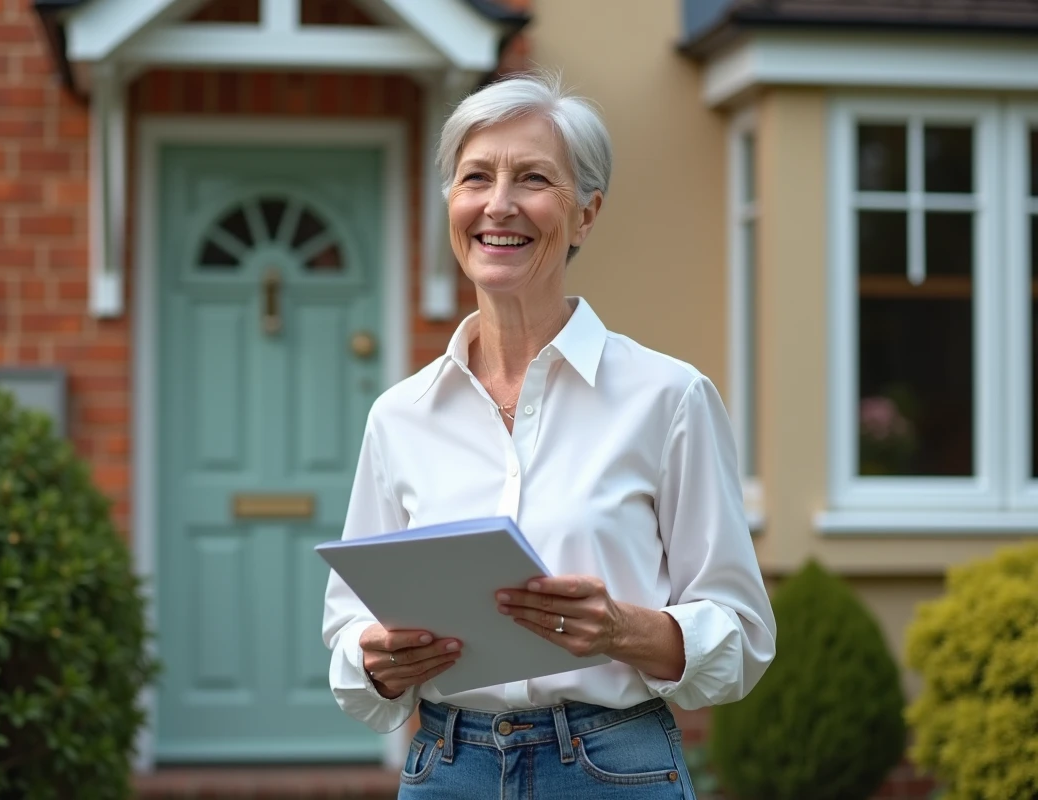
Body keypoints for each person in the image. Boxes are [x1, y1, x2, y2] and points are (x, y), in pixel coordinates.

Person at [321, 71, 776, 799]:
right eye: (476, 178)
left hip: (612, 767)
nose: (498, 205)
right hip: (446, 769)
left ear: (586, 214)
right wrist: (376, 659)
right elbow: (349, 633)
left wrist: (621, 630)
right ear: (452, 204)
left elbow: (743, 634)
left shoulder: (669, 398)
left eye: (532, 178)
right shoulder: (400, 416)